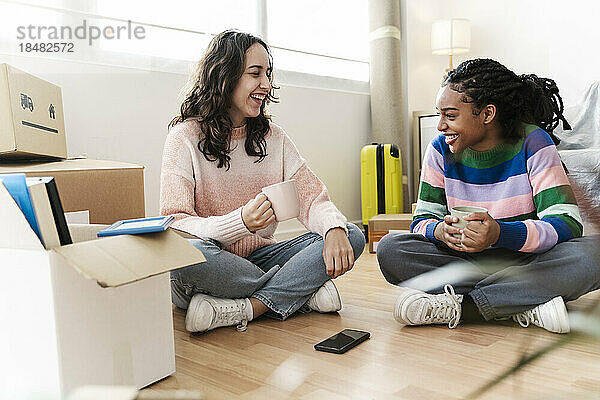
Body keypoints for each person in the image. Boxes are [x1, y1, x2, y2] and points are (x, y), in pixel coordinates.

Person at [160, 30, 365, 333]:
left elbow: (312, 198)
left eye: (268, 74)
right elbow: (175, 223)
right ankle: (299, 292)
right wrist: (239, 222)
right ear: (224, 76)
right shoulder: (184, 138)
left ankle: (249, 307)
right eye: (255, 73)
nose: (266, 85)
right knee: (185, 258)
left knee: (350, 233)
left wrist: (333, 228)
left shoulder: (275, 138)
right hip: (213, 261)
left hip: (260, 257)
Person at [377, 58, 600, 334]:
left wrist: (499, 234)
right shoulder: (439, 150)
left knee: (595, 254)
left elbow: (567, 222)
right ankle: (523, 299)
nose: (440, 126)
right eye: (439, 115)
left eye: (450, 115)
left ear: (487, 113)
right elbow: (422, 219)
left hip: (526, 260)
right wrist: (439, 232)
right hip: (466, 262)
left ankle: (465, 306)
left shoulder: (534, 142)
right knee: (391, 248)